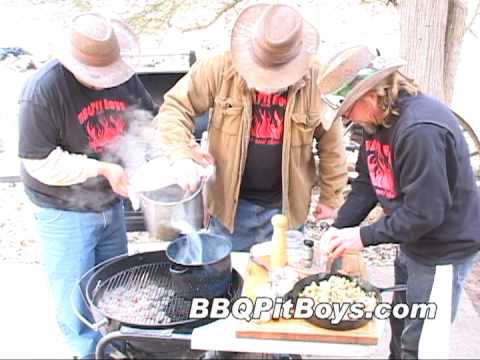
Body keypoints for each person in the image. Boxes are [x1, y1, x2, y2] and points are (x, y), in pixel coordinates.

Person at [318, 45, 480, 359]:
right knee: (400, 327)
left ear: (370, 94)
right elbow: (367, 184)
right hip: (412, 243)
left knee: (422, 344)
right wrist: (337, 229)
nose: (347, 117)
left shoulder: (420, 131)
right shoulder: (375, 123)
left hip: (443, 251)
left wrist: (362, 237)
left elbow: (425, 213)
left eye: (348, 108)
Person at [18, 13, 158, 359]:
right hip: (63, 211)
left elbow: (146, 123)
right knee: (74, 298)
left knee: (118, 290)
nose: (102, 80)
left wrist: (166, 160)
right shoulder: (42, 91)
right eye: (95, 75)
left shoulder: (119, 73)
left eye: (106, 73)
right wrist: (101, 168)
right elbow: (39, 162)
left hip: (111, 205)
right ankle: (87, 353)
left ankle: (121, 347)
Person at [153, 3, 348, 251]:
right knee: (230, 282)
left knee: (281, 283)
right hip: (230, 211)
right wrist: (180, 155)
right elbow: (175, 107)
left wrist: (332, 196)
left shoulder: (317, 80)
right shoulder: (220, 68)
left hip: (286, 211)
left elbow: (332, 143)